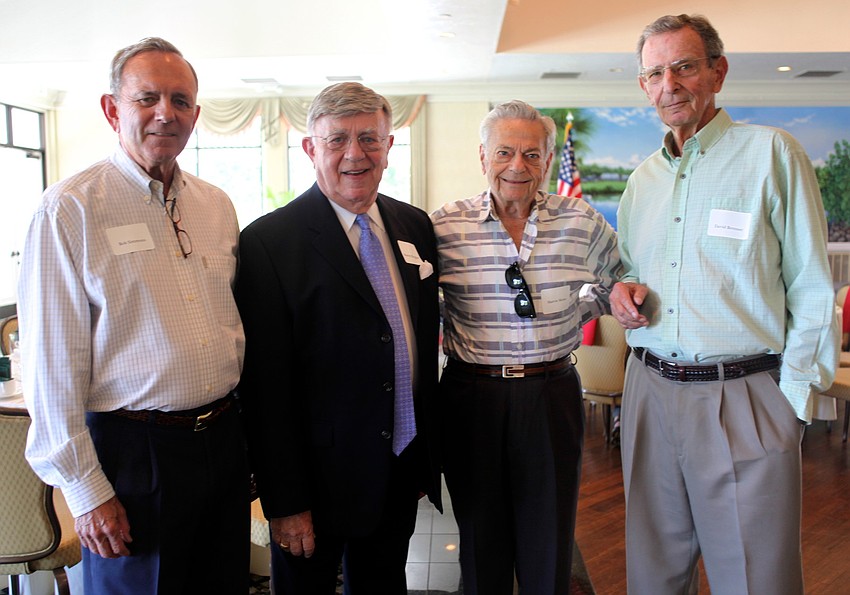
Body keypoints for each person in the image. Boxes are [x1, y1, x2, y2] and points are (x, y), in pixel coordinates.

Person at [610, 14, 840, 594]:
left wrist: (792, 404)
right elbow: (634, 269)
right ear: (643, 85)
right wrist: (625, 290)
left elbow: (813, 287)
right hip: (648, 392)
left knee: (755, 579)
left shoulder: (772, 154)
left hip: (742, 395)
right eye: (655, 73)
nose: (669, 84)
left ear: (718, 72)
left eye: (684, 67)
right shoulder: (641, 182)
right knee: (653, 576)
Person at [18, 38, 250, 594]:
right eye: (147, 98)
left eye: (180, 100)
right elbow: (51, 368)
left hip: (222, 442)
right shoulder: (69, 209)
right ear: (111, 109)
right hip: (132, 455)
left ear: (195, 114)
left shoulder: (216, 205)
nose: (165, 113)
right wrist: (86, 492)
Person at [235, 82, 442, 594]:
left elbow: (416, 339)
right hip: (315, 483)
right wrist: (285, 501)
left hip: (397, 468)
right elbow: (264, 389)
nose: (355, 154)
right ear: (311, 148)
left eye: (369, 138)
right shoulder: (268, 243)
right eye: (337, 140)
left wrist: (420, 460)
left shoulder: (414, 225)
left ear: (389, 146)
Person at [431, 100, 621, 595]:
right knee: (480, 538)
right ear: (483, 156)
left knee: (550, 538)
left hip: (551, 394)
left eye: (532, 154)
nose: (517, 165)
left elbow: (623, 278)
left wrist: (574, 314)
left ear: (549, 160)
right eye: (504, 152)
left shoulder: (581, 221)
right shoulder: (443, 226)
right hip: (471, 396)